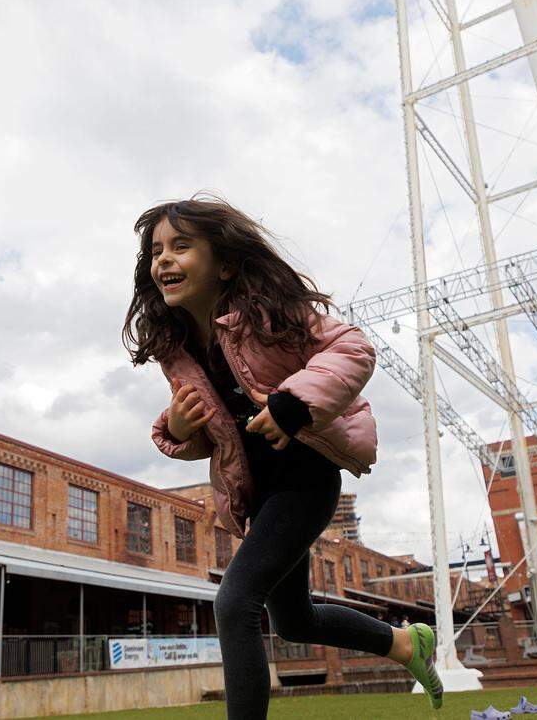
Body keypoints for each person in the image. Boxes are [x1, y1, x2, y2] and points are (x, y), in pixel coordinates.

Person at [123, 195, 443, 718]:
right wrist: (179, 429)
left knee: (234, 602)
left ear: (224, 263)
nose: (163, 259)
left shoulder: (268, 314)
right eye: (155, 251)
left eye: (181, 246)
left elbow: (353, 349)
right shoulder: (176, 347)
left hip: (306, 476)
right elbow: (220, 432)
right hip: (259, 491)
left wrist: (294, 404)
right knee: (292, 619)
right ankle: (405, 645)